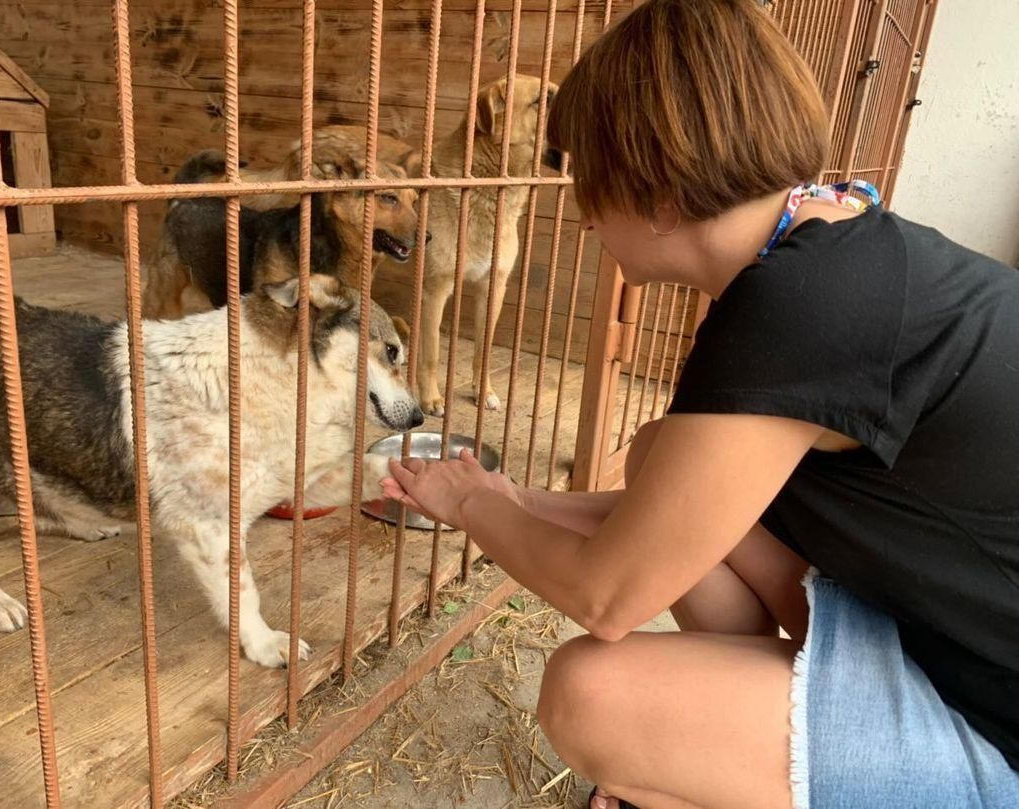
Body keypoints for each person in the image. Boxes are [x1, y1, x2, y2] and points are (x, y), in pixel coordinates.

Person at [380, 1, 1019, 807]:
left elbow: (609, 597)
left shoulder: (797, 309)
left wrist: (474, 507)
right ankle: (716, 757)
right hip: (944, 632)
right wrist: (517, 499)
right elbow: (675, 515)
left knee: (588, 692)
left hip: (994, 722)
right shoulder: (831, 235)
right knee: (657, 453)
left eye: (586, 173)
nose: (579, 210)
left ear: (657, 193)